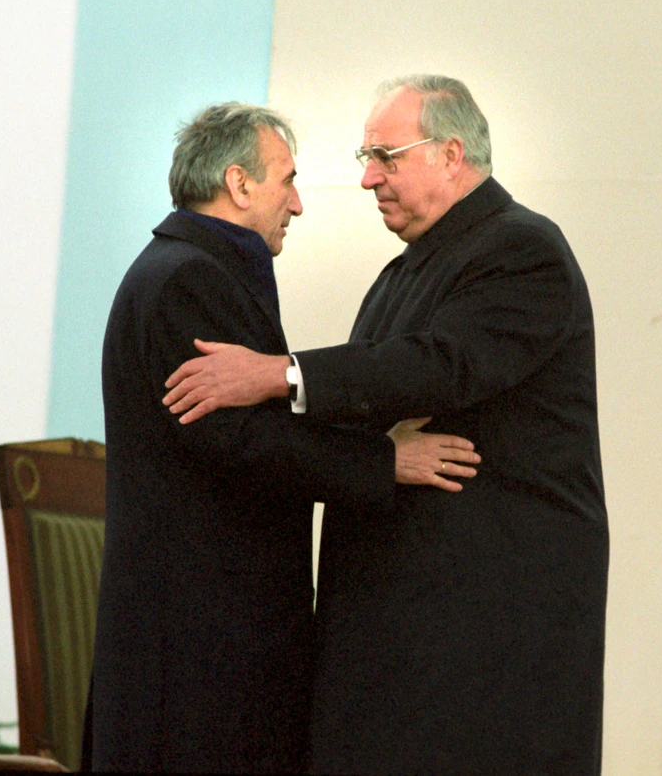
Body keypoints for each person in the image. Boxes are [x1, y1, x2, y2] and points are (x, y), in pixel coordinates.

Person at [163, 76, 608, 774]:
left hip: (485, 638)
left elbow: (439, 364)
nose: (367, 178)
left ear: (451, 153)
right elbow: (379, 394)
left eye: (386, 156)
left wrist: (278, 374)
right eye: (366, 157)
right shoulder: (406, 271)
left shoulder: (525, 250)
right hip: (401, 634)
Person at [91, 102, 480, 772]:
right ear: (240, 184)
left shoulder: (187, 268)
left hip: (199, 643)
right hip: (198, 653)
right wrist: (386, 460)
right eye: (287, 180)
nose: (297, 204)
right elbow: (242, 441)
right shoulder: (191, 278)